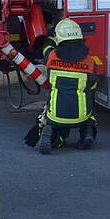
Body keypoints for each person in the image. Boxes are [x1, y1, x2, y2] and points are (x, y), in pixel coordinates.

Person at [27, 19, 98, 154]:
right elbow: (93, 85)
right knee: (89, 102)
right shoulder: (90, 62)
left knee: (55, 123)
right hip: (81, 116)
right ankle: (86, 132)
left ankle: (53, 134)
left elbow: (47, 48)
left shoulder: (52, 57)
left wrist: (50, 37)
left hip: (55, 116)